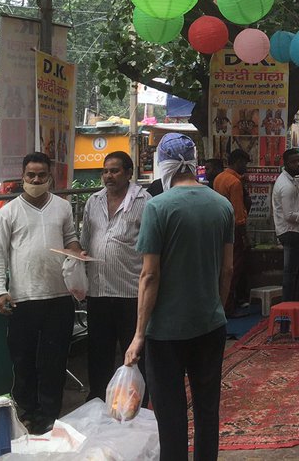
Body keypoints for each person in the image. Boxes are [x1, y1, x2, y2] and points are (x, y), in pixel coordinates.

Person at [125, 140, 232, 461]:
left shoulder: (158, 207)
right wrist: (218, 308)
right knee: (206, 409)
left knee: (170, 416)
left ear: (164, 165)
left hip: (166, 331)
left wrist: (139, 334)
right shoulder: (221, 205)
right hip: (210, 324)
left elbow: (149, 276)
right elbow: (227, 268)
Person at [0, 152, 84, 434]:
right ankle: (27, 412)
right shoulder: (8, 212)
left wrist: (77, 250)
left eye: (41, 175)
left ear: (50, 177)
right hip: (23, 298)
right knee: (24, 360)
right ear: (22, 176)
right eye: (31, 175)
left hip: (59, 297)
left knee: (54, 361)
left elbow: (70, 238)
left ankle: (49, 415)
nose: (36, 180)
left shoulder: (63, 208)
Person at [80, 150, 148, 402]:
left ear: (129, 173)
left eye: (115, 170)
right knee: (98, 354)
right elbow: (86, 240)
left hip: (131, 293)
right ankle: (98, 403)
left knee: (135, 356)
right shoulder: (93, 201)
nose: (108, 176)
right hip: (98, 292)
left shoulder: (145, 201)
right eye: (105, 171)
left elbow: (151, 249)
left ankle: (136, 406)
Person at [271, 147, 299, 302]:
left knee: (298, 269)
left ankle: (294, 301)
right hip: (290, 231)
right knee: (291, 272)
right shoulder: (286, 186)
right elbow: (289, 216)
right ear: (286, 164)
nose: (298, 165)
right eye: (293, 162)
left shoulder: (289, 180)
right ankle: (288, 305)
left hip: (294, 230)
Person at [212, 149, 250, 312]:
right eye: (245, 163)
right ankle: (228, 304)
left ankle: (223, 302)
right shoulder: (234, 183)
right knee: (233, 266)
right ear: (237, 162)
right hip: (233, 230)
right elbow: (238, 214)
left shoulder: (219, 178)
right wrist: (245, 236)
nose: (246, 167)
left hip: (219, 227)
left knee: (222, 266)